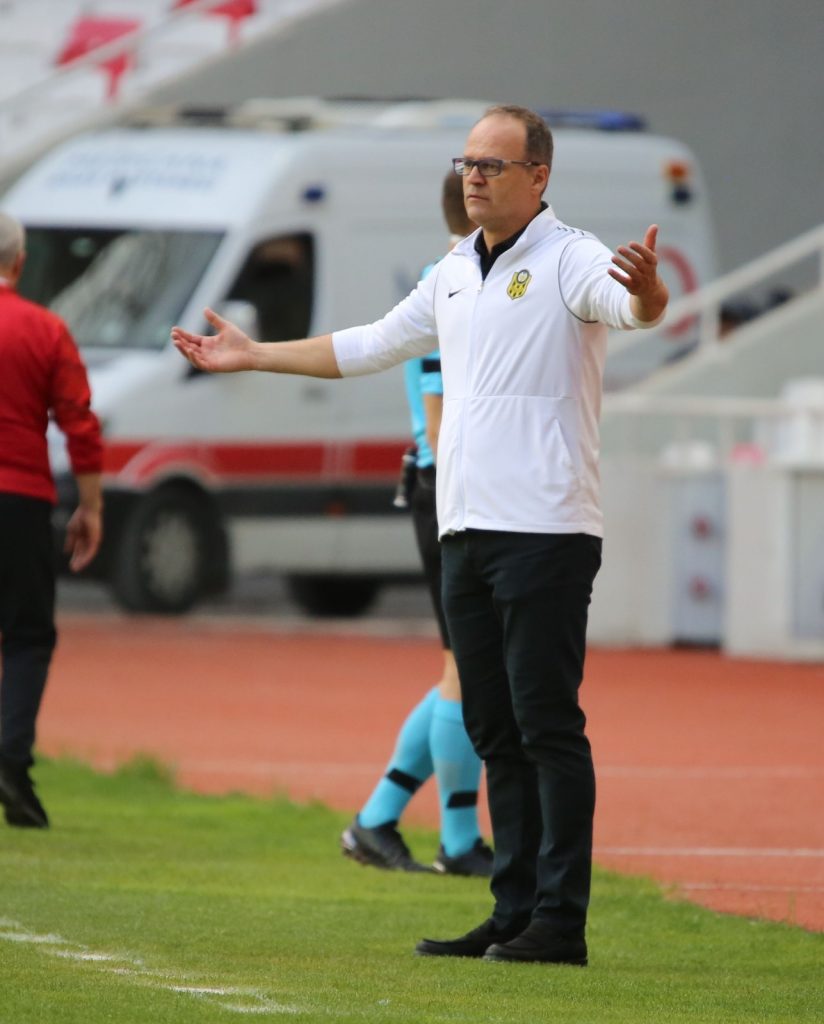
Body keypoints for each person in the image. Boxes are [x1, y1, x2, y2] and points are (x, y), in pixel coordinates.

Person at [172, 104, 669, 965]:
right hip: (464, 529)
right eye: (467, 162)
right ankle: (513, 912)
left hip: (545, 529)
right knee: (493, 727)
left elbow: (631, 308)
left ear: (539, 177)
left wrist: (650, 290)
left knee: (547, 725)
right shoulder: (453, 270)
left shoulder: (572, 258)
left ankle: (560, 922)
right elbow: (371, 343)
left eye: (491, 164)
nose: (472, 176)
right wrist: (255, 355)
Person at [340, 172, 492, 877]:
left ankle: (380, 819)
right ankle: (454, 840)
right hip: (451, 490)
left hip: (447, 487)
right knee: (466, 668)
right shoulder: (452, 282)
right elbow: (437, 408)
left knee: (470, 666)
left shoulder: (462, 276)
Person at [0, 212, 103, 828]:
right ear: (19, 261)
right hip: (20, 497)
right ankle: (11, 758)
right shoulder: (45, 328)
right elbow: (79, 422)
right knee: (28, 635)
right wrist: (91, 506)